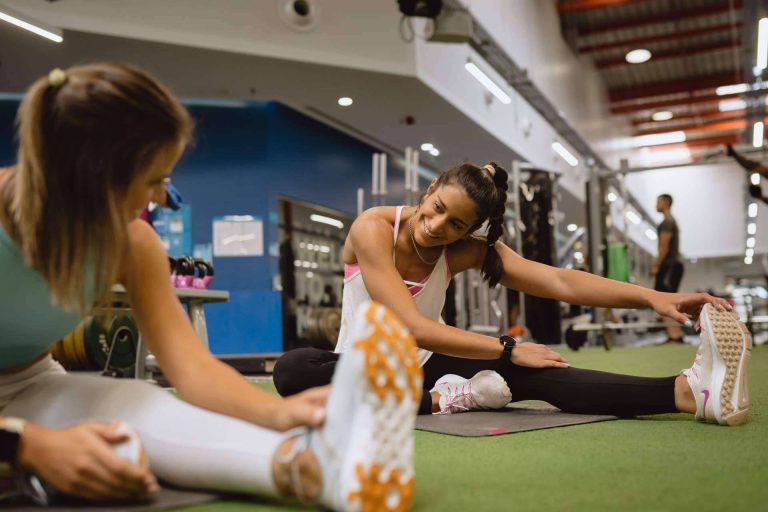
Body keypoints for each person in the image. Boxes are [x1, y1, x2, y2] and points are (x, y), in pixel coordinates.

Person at [0, 63, 420, 511]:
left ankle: (312, 468)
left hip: (28, 386)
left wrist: (279, 415)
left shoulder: (132, 243)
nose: (162, 198)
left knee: (140, 403)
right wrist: (30, 447)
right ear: (93, 178)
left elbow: (191, 368)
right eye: (154, 181)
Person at [274, 162, 751, 427]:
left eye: (456, 225)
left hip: (421, 365)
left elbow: (561, 280)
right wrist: (507, 348)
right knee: (294, 369)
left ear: (470, 231)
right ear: (431, 187)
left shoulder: (461, 251)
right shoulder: (372, 228)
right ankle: (445, 400)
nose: (438, 227)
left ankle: (688, 393)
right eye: (437, 209)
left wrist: (653, 298)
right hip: (359, 369)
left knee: (544, 374)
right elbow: (412, 326)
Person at [652, 194, 685, 343]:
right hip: (672, 266)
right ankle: (674, 335)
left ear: (666, 202)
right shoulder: (670, 221)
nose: (656, 204)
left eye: (658, 202)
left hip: (669, 266)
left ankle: (674, 336)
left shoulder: (667, 222)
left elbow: (664, 247)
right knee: (667, 301)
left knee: (663, 301)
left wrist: (657, 265)